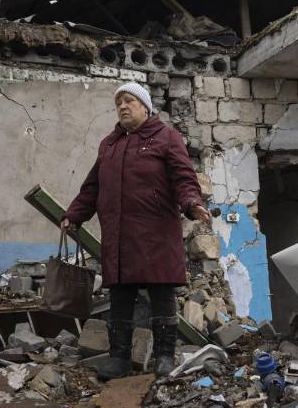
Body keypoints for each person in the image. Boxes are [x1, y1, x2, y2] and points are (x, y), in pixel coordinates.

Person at [62, 82, 212, 378]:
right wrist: (74, 215)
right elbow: (92, 186)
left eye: (129, 101)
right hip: (119, 235)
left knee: (161, 295)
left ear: (145, 106)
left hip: (156, 233)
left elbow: (183, 178)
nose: (122, 107)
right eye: (118, 103)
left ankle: (165, 357)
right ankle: (119, 359)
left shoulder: (166, 138)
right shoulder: (109, 144)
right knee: (120, 299)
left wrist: (192, 203)